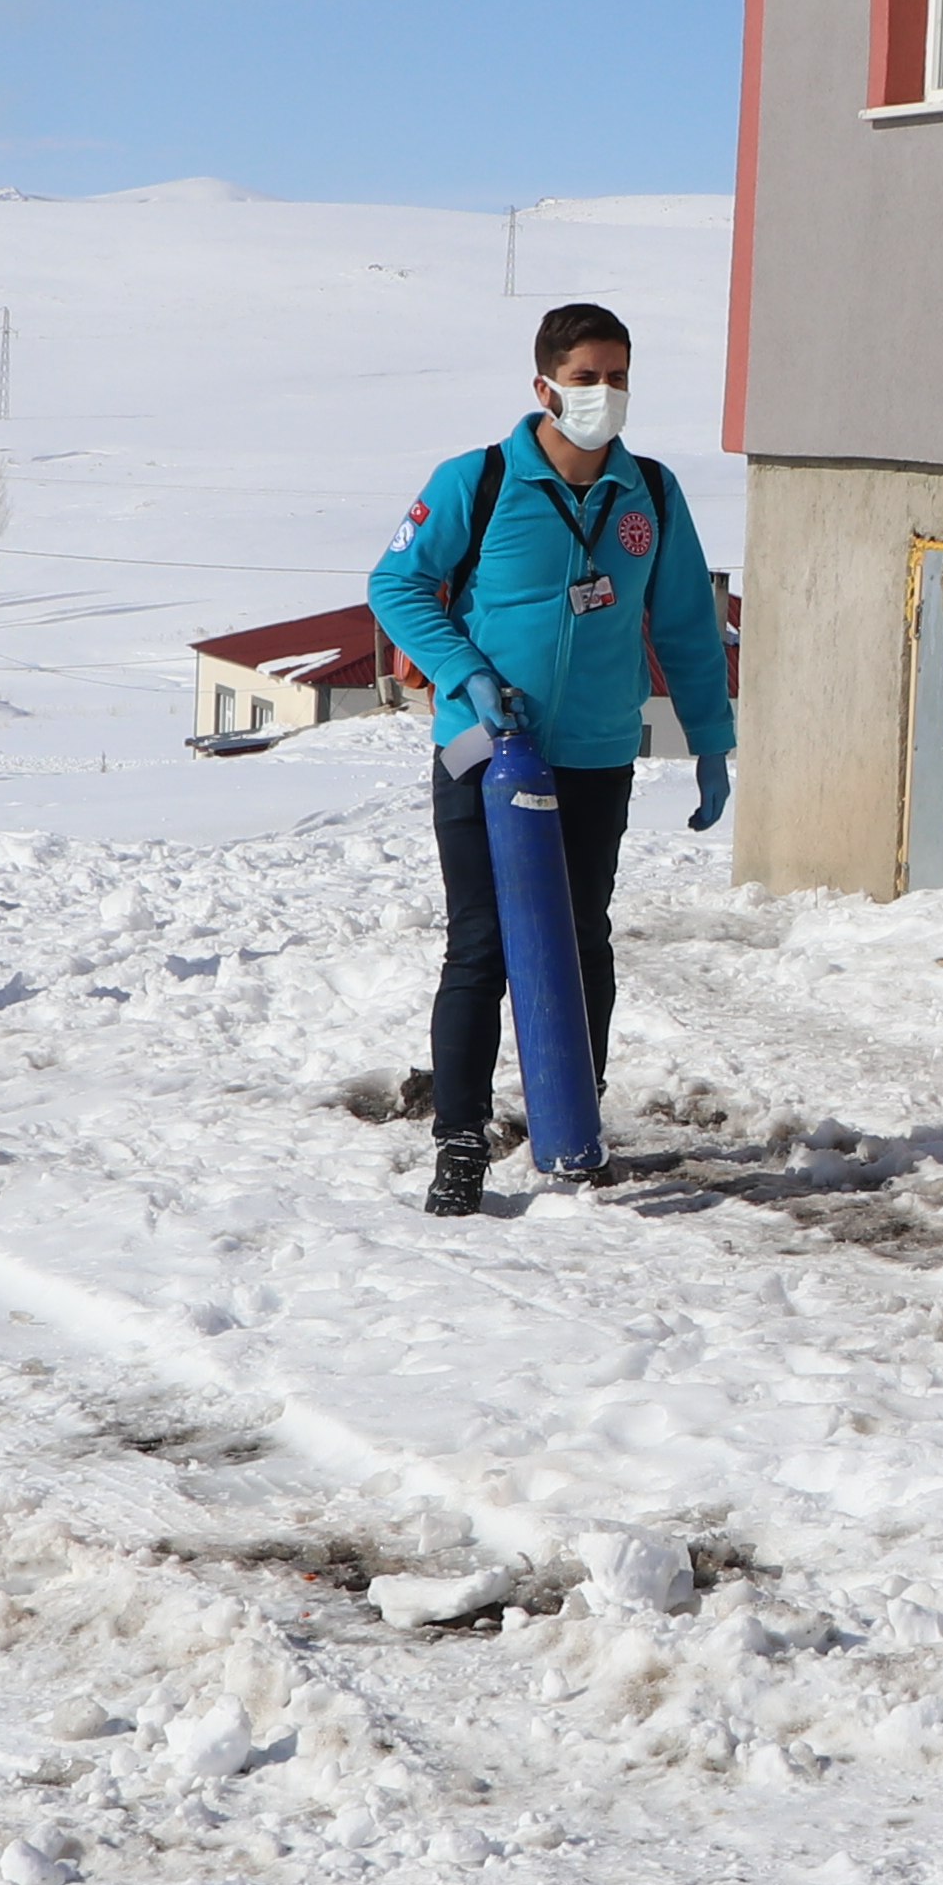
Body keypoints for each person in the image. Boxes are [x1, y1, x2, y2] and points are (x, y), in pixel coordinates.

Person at [367, 301, 735, 1215]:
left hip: (596, 753)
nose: (602, 393)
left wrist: (712, 741)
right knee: (483, 945)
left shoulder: (650, 490)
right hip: (484, 751)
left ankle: (573, 1123)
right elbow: (396, 583)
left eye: (617, 377)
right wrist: (466, 671)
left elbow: (687, 622)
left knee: (581, 939)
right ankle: (460, 1140)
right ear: (543, 386)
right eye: (585, 377)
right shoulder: (480, 480)